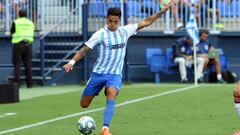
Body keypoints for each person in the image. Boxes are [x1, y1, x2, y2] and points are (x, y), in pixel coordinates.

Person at [63, 2, 174, 135]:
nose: (113, 24)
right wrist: (71, 62)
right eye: (110, 21)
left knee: (111, 93)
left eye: (115, 22)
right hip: (98, 74)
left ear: (119, 20)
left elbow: (146, 22)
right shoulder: (100, 34)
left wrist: (161, 12)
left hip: (114, 75)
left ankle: (105, 128)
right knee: (84, 104)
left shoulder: (125, 31)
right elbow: (84, 50)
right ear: (107, 19)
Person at [11, 10, 34, 88]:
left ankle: (17, 84)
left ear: (19, 14)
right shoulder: (31, 23)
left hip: (18, 45)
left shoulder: (16, 22)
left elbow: (12, 32)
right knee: (28, 65)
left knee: (17, 64)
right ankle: (30, 84)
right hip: (28, 45)